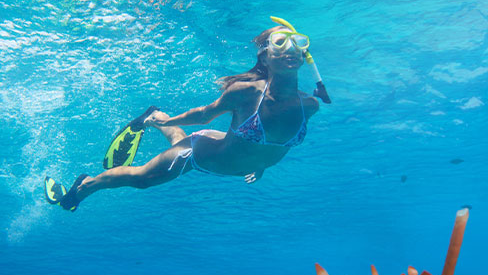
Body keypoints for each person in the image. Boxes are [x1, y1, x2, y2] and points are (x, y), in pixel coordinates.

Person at [44, 20, 328, 211]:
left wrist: (261, 165)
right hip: (201, 153)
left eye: (297, 45)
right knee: (143, 179)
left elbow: (275, 141)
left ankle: (155, 115)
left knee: (178, 142)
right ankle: (83, 187)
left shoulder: (309, 106)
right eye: (281, 44)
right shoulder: (247, 92)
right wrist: (171, 122)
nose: (291, 50)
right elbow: (205, 115)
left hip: (228, 157)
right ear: (265, 57)